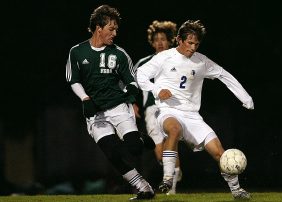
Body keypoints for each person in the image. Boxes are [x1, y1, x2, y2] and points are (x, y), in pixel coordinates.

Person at [137, 20, 254, 200]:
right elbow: (141, 75)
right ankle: (168, 178)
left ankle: (237, 190)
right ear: (179, 40)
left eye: (196, 44)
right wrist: (157, 90)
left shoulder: (202, 62)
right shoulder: (163, 57)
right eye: (189, 43)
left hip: (192, 116)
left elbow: (224, 75)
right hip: (168, 111)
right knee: (174, 129)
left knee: (220, 153)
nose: (193, 47)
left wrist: (245, 98)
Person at [65, 5, 155, 200]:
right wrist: (85, 98)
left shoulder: (119, 53)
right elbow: (74, 80)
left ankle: (137, 138)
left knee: (134, 150)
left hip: (119, 107)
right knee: (111, 152)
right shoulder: (77, 52)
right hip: (95, 112)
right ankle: (142, 186)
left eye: (116, 29)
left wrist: (132, 88)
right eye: (111, 29)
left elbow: (131, 79)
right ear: (99, 28)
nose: (115, 33)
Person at [134, 20, 182, 195]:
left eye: (163, 38)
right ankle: (174, 171)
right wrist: (132, 103)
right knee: (160, 153)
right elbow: (132, 83)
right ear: (152, 43)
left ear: (170, 41)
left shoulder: (179, 61)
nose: (160, 42)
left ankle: (172, 189)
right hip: (151, 109)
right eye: (157, 39)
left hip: (173, 108)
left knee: (173, 137)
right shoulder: (144, 62)